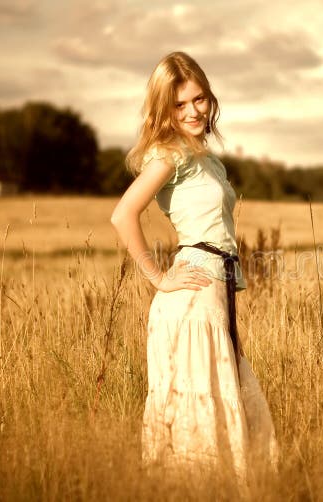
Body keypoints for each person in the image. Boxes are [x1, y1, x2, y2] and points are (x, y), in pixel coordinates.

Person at [110, 52, 279, 481]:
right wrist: (158, 278)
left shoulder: (208, 159)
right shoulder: (170, 155)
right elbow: (123, 214)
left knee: (225, 402)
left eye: (198, 99)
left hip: (215, 293)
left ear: (209, 95)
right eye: (179, 105)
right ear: (164, 110)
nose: (192, 111)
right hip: (190, 295)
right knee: (196, 414)